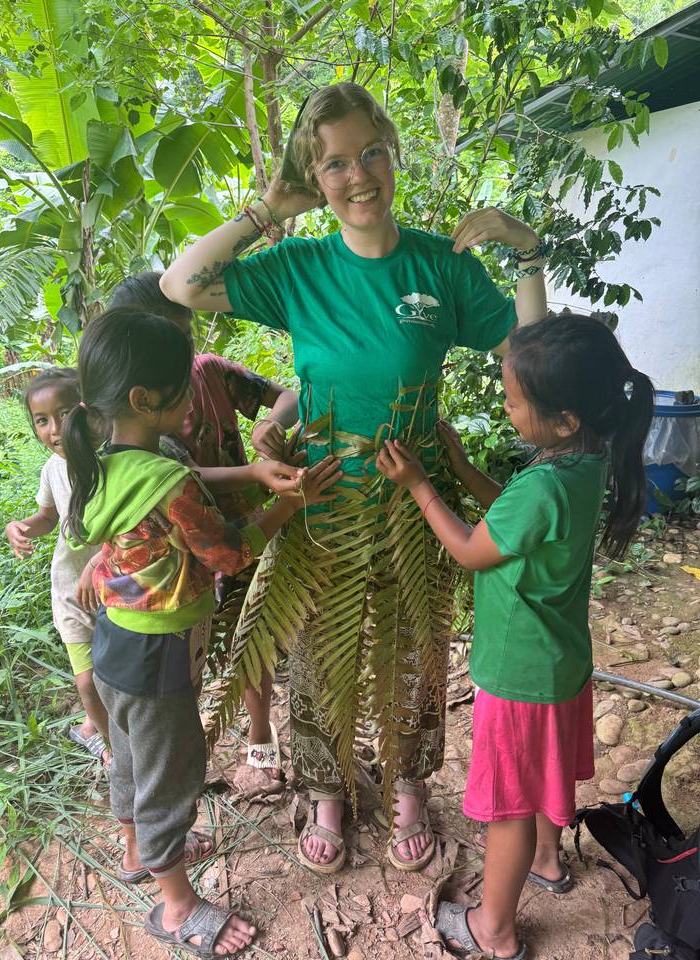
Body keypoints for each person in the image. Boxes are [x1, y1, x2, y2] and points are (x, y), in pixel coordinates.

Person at [159, 81, 548, 874]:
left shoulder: (441, 265)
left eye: (372, 152)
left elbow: (532, 356)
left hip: (417, 505)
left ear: (394, 154)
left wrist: (527, 247)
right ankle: (327, 788)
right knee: (313, 652)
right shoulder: (299, 266)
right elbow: (182, 285)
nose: (358, 174)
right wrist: (269, 210)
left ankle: (409, 786)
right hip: (323, 499)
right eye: (334, 163)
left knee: (414, 651)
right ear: (313, 175)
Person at [62, 307, 340, 957]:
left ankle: (141, 850)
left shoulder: (101, 462)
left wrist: (247, 476)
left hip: (116, 644)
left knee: (130, 760)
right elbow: (229, 555)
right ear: (145, 399)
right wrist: (287, 505)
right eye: (181, 387)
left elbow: (90, 534)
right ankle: (177, 905)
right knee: (171, 775)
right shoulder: (169, 478)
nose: (193, 393)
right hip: (161, 655)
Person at [376, 314, 654, 959]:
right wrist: (465, 470)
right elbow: (514, 512)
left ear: (564, 419)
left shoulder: (546, 483)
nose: (506, 406)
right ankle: (548, 861)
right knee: (539, 779)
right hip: (559, 663)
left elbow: (475, 550)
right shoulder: (581, 463)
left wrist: (420, 486)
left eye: (513, 399)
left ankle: (493, 928)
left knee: (506, 807)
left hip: (516, 672)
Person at [109, 271, 302, 793]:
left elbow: (286, 396)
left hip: (245, 527)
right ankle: (180, 754)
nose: (180, 355)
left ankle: (259, 734)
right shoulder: (129, 417)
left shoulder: (208, 373)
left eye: (185, 339)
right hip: (190, 556)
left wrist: (271, 428)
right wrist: (258, 477)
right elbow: (180, 483)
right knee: (189, 657)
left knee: (251, 634)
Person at [4, 368, 110, 766]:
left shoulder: (111, 460)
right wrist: (21, 527)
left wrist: (100, 561)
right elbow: (48, 517)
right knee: (86, 682)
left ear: (89, 409)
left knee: (113, 676)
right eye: (42, 420)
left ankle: (102, 729)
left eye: (65, 414)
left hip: (115, 586)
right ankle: (111, 748)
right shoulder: (52, 468)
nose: (55, 429)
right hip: (70, 589)